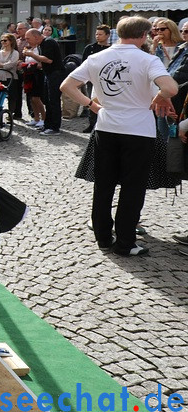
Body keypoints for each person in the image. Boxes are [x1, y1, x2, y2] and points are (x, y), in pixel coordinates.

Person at [61, 16, 176, 257]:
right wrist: (159, 97)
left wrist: (91, 105)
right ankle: (125, 242)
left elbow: (67, 86)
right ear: (144, 35)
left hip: (106, 127)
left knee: (104, 185)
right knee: (133, 188)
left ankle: (103, 238)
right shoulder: (148, 59)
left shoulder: (97, 57)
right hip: (138, 131)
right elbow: (171, 88)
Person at [22, 28, 64, 136]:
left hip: (55, 73)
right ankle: (47, 125)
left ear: (36, 37)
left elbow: (48, 60)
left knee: (53, 100)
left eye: (28, 38)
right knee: (47, 100)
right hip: (48, 73)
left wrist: (32, 54)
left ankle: (55, 127)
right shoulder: (41, 44)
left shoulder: (49, 42)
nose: (27, 41)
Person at [79, 25, 111, 133]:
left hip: (106, 81)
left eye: (100, 34)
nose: (97, 36)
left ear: (107, 35)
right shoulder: (90, 48)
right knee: (91, 101)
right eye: (96, 34)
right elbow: (83, 64)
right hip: (92, 80)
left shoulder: (111, 49)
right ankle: (92, 124)